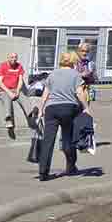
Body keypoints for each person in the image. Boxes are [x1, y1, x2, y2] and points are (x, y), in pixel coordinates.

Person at [36, 51, 89, 181]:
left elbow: (45, 94)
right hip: (69, 109)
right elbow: (79, 93)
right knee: (68, 138)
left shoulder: (52, 74)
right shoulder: (75, 75)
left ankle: (43, 173)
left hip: (51, 109)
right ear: (72, 61)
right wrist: (86, 108)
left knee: (48, 141)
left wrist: (40, 110)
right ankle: (70, 166)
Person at [0, 52, 30, 138]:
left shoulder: (19, 66)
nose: (14, 59)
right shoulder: (2, 66)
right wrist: (9, 92)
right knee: (7, 99)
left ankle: (31, 115)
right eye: (12, 57)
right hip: (3, 90)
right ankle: (8, 119)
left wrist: (18, 91)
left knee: (23, 98)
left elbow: (20, 80)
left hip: (15, 89)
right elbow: (0, 83)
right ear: (8, 58)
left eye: (15, 57)